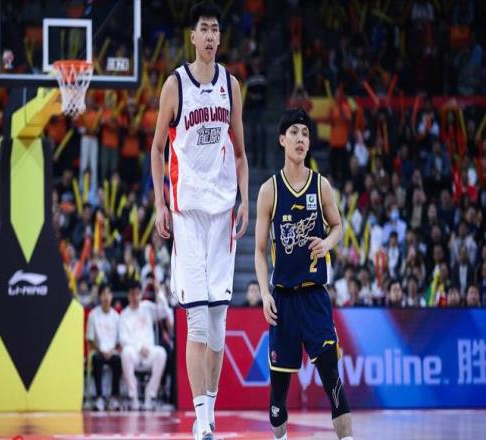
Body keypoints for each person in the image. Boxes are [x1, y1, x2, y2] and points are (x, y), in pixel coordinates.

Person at [150, 2, 249, 438]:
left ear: (220, 38)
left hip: (223, 213)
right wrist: (159, 203)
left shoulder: (231, 85)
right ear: (192, 37)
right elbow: (157, 149)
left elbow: (241, 154)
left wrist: (244, 199)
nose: (210, 36)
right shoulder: (175, 85)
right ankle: (202, 419)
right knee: (197, 321)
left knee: (220, 323)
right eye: (203, 29)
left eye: (215, 29)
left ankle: (209, 408)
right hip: (188, 214)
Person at [255, 108, 354, 440]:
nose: (300, 139)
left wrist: (327, 243)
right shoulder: (269, 190)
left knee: (333, 383)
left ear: (309, 143)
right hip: (283, 301)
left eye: (306, 134)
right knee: (277, 399)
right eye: (294, 133)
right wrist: (264, 293)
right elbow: (258, 250)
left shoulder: (321, 185)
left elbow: (338, 226)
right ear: (282, 140)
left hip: (314, 297)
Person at [119, 281, 169, 411]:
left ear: (141, 294)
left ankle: (150, 395)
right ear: (128, 295)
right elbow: (123, 339)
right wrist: (138, 348)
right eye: (132, 294)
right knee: (125, 352)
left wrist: (159, 293)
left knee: (161, 353)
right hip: (134, 353)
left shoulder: (147, 307)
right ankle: (133, 396)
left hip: (149, 352)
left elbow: (164, 311)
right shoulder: (124, 314)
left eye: (137, 294)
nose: (135, 297)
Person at [86, 284, 121, 411]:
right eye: (103, 294)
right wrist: (101, 351)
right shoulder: (93, 315)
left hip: (112, 351)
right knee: (97, 359)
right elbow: (90, 340)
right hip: (98, 351)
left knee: (118, 360)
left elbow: (119, 342)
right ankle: (99, 397)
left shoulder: (116, 317)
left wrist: (111, 351)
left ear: (111, 296)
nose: (106, 297)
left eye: (108, 293)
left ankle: (114, 397)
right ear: (100, 296)